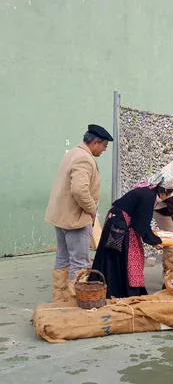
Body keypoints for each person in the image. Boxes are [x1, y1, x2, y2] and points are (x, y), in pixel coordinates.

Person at [45, 124, 113, 303]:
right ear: (96, 142)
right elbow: (79, 190)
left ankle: (60, 298)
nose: (104, 150)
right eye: (104, 146)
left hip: (61, 217)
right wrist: (92, 210)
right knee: (79, 263)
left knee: (62, 259)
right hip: (75, 219)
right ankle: (77, 300)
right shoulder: (84, 158)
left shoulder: (73, 153)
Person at [91, 173, 173, 298]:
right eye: (168, 193)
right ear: (163, 190)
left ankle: (104, 289)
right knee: (130, 256)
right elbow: (141, 225)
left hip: (116, 222)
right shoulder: (149, 197)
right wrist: (156, 241)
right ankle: (124, 292)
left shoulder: (146, 192)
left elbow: (140, 221)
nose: (167, 197)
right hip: (119, 226)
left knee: (110, 258)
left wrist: (152, 238)